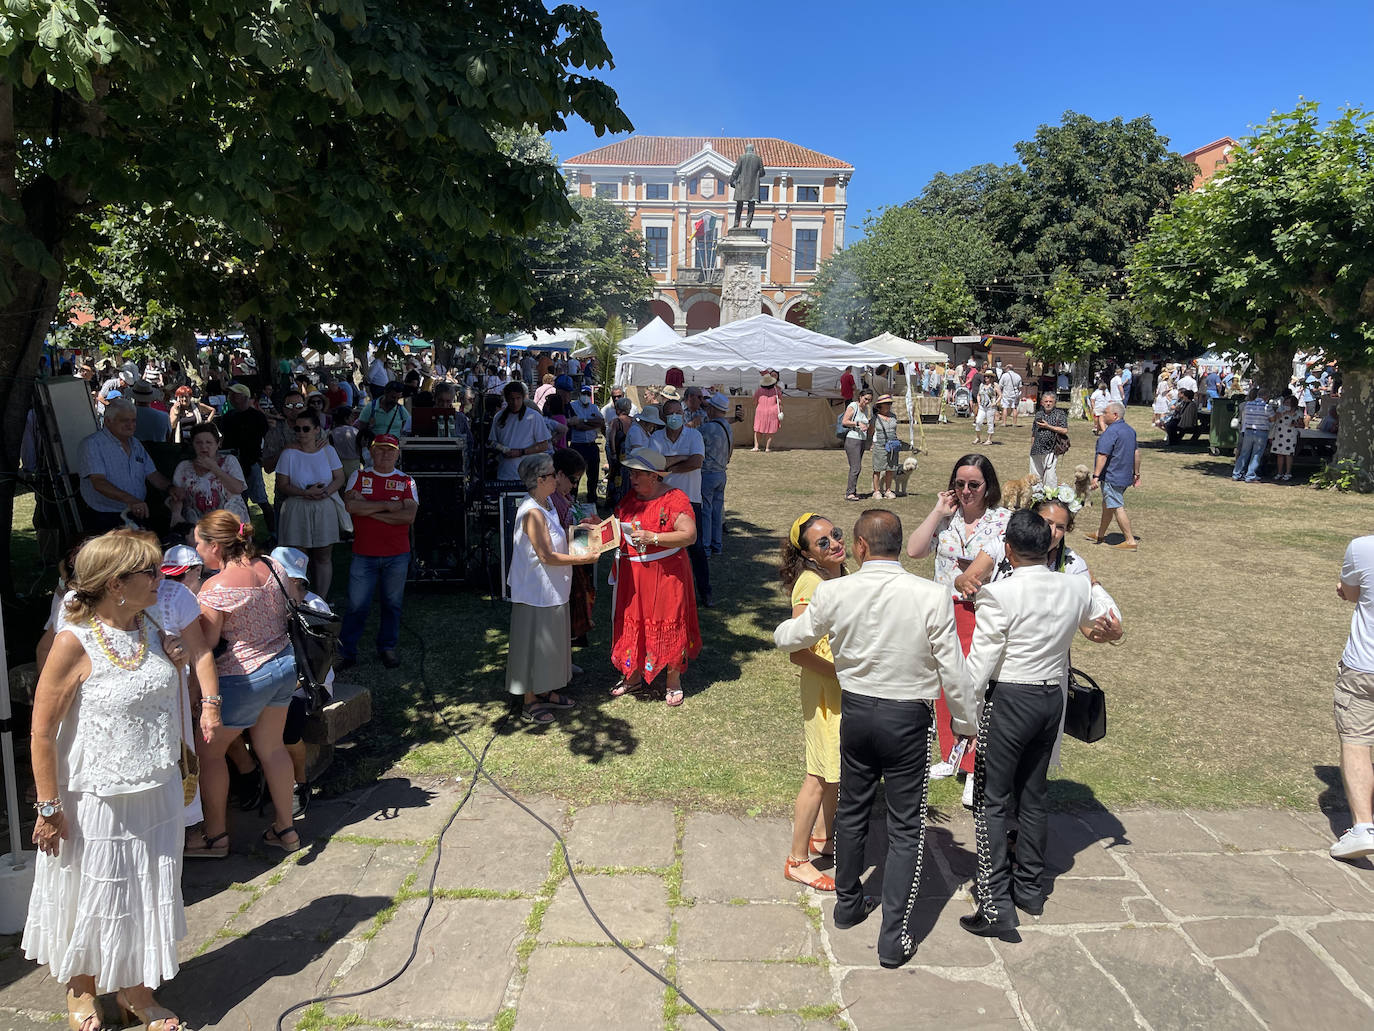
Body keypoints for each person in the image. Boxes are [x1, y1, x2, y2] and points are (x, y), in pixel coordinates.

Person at [773, 510, 973, 969]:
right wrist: (964, 722)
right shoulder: (931, 595)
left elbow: (793, 636)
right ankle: (893, 937)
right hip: (907, 719)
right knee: (905, 828)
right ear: (898, 544)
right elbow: (953, 668)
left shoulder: (836, 590)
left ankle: (848, 905)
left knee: (854, 808)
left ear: (861, 546)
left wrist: (783, 631)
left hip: (858, 714)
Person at [23, 530, 193, 1031]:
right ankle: (81, 993)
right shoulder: (73, 641)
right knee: (92, 891)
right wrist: (49, 808)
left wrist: (176, 662)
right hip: (95, 795)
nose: (161, 580)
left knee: (144, 888)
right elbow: (41, 732)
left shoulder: (153, 623)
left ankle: (136, 993)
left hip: (156, 787)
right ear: (117, 583)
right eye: (151, 573)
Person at [961, 511, 1112, 940]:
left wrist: (964, 714)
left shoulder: (999, 594)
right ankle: (1029, 888)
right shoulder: (1075, 585)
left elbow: (982, 663)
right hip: (1051, 697)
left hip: (1010, 697)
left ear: (1008, 549)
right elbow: (1100, 618)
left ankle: (994, 903)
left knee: (991, 800)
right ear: (1049, 546)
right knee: (1033, 794)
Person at [190, 511, 300, 857]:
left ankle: (215, 837)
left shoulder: (215, 587)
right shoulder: (273, 565)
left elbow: (204, 644)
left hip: (243, 678)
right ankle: (287, 829)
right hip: (283, 665)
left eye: (198, 543)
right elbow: (292, 605)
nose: (195, 550)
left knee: (209, 754)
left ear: (215, 546)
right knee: (272, 748)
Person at [907, 455, 1009, 786]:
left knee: (976, 687)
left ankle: (975, 762)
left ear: (988, 486)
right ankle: (951, 754)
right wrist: (938, 511)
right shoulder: (947, 519)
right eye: (960, 484)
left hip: (982, 611)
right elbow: (914, 551)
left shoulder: (1003, 521)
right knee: (946, 685)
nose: (966, 491)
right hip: (943, 610)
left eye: (973, 485)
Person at [777, 513, 848, 892]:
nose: (834, 543)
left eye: (835, 534)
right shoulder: (810, 584)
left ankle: (824, 836)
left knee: (834, 766)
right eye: (823, 542)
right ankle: (798, 859)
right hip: (825, 688)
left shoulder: (837, 573)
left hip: (838, 686)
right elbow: (797, 651)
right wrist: (840, 674)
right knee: (818, 775)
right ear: (807, 554)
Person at [506, 454, 596, 724]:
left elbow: (562, 537)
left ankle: (546, 690)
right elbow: (546, 555)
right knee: (534, 644)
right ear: (540, 479)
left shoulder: (547, 505)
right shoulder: (532, 512)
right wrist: (583, 558)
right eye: (551, 473)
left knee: (551, 645)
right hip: (536, 591)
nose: (557, 476)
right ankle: (530, 700)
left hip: (554, 588)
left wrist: (585, 533)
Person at [610, 448, 701, 707]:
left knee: (669, 620)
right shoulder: (631, 497)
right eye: (631, 473)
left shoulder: (675, 499)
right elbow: (620, 524)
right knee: (633, 620)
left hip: (667, 575)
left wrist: (654, 538)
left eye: (638, 474)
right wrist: (601, 527)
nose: (632, 479)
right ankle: (633, 675)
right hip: (634, 575)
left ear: (654, 476)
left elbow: (689, 535)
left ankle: (673, 681)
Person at [339, 434, 418, 671]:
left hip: (397, 554)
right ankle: (346, 651)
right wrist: (387, 506)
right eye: (380, 450)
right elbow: (351, 506)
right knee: (356, 606)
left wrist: (369, 509)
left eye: (390, 450)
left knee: (392, 604)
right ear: (371, 453)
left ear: (398, 454)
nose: (385, 454)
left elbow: (408, 516)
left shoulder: (407, 482)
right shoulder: (359, 476)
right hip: (364, 552)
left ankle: (387, 647)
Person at [77, 399, 185, 532]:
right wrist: (131, 500)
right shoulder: (92, 444)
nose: (131, 425)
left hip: (135, 513)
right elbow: (98, 482)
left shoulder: (135, 444)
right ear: (108, 421)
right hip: (104, 516)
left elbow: (153, 474)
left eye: (133, 420)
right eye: (124, 420)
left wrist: (170, 488)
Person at [1332, 533, 1374, 860]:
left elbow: (1349, 592)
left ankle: (1363, 827)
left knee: (1356, 739)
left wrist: (1344, 591)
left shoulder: (1363, 547)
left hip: (1364, 666)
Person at [274, 407, 346, 596]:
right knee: (298, 557)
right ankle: (300, 598)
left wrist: (325, 492)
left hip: (324, 505)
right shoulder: (288, 453)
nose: (301, 433)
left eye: (306, 429)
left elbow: (339, 477)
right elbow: (282, 484)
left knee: (324, 555)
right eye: (297, 429)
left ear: (316, 430)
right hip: (297, 506)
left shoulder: (328, 451)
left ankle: (322, 600)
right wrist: (304, 493)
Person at [651, 398, 711, 607]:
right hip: (663, 499)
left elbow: (696, 462)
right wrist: (679, 459)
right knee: (663, 544)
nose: (675, 416)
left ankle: (705, 592)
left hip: (690, 498)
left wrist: (670, 466)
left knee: (695, 547)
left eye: (679, 412)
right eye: (671, 413)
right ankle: (663, 591)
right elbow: (655, 465)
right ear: (663, 417)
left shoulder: (694, 435)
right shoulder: (656, 437)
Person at [218, 384, 275, 535]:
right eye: (230, 394)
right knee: (239, 502)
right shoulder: (228, 417)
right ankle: (247, 535)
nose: (231, 397)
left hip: (252, 462)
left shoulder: (257, 416)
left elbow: (267, 438)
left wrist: (262, 457)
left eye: (235, 394)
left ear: (244, 396)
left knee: (262, 500)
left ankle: (274, 533)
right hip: (233, 463)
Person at [171, 424, 249, 533]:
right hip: (198, 526)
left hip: (230, 524)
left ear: (217, 444)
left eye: (209, 442)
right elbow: (176, 496)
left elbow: (238, 489)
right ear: (192, 444)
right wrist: (176, 514)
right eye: (198, 443)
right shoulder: (184, 467)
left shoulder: (229, 461)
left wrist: (214, 468)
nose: (203, 447)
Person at [1087, 401, 1140, 551]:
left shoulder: (1111, 432)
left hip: (1112, 476)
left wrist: (1096, 476)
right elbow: (1136, 453)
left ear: (1115, 415)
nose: (1103, 415)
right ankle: (1100, 534)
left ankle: (1130, 541)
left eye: (1106, 413)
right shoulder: (1130, 430)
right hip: (1124, 476)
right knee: (1107, 505)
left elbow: (1103, 455)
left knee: (1116, 506)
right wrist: (1136, 473)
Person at [489, 381, 553, 481]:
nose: (515, 403)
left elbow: (544, 445)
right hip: (505, 474)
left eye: (518, 398)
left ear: (523, 397)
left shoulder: (534, 416)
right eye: (511, 399)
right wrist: (501, 449)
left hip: (527, 475)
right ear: (506, 399)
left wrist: (520, 452)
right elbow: (492, 442)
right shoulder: (499, 417)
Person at [699, 392, 734, 556]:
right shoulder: (727, 426)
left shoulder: (707, 428)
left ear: (713, 409)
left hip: (708, 473)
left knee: (706, 510)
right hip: (721, 473)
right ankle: (716, 544)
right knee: (717, 510)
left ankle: (706, 546)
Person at [568, 384, 605, 503]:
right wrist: (590, 424)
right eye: (584, 393)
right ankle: (572, 499)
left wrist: (584, 421)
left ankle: (592, 499)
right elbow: (577, 426)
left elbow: (600, 422)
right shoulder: (573, 406)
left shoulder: (594, 408)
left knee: (593, 475)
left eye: (588, 394)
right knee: (575, 474)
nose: (586, 396)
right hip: (577, 445)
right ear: (580, 394)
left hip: (591, 445)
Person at [1029, 389, 1069, 489]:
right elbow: (1034, 431)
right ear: (1042, 402)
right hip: (1036, 449)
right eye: (1046, 401)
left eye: (1050, 401)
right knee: (1035, 475)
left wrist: (1048, 426)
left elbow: (1064, 430)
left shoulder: (1060, 414)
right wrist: (1032, 446)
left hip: (1051, 449)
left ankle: (1050, 497)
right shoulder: (1038, 414)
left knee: (1050, 475)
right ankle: (1036, 496)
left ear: (1054, 402)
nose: (1048, 404)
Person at [1233, 387, 1273, 483]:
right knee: (1256, 454)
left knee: (1244, 453)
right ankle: (1250, 475)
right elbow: (1272, 419)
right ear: (1266, 396)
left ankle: (1236, 473)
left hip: (1248, 430)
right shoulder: (1267, 407)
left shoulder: (1248, 405)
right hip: (1261, 431)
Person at [841, 388, 874, 502]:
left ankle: (853, 491)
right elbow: (844, 421)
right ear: (860, 397)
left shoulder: (865, 409)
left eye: (869, 400)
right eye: (865, 399)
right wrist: (857, 423)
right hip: (852, 440)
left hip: (861, 440)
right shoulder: (853, 406)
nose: (867, 402)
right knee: (856, 467)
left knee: (856, 467)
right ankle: (849, 493)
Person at [869, 394, 900, 499]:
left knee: (890, 469)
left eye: (890, 404)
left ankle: (888, 490)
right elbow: (871, 432)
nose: (888, 406)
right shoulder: (875, 418)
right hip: (880, 445)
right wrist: (872, 443)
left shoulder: (893, 416)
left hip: (892, 446)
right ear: (880, 406)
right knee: (877, 468)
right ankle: (876, 490)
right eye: (886, 404)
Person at [1269, 395, 1305, 481]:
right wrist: (1285, 413)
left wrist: (1295, 424)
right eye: (1285, 402)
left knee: (1288, 454)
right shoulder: (1280, 409)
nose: (1286, 404)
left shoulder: (1298, 412)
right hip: (1279, 434)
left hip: (1290, 435)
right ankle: (1279, 472)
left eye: (1288, 403)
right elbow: (1275, 418)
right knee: (1279, 454)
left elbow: (1302, 425)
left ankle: (1288, 473)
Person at [753, 370, 782, 452]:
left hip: (760, 411)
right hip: (772, 411)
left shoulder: (759, 391)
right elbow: (779, 402)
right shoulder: (777, 391)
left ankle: (756, 447)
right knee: (770, 430)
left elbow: (755, 402)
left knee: (758, 429)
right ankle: (767, 448)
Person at [973, 370, 1000, 446]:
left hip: (990, 407)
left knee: (990, 422)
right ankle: (978, 438)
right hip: (982, 406)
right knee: (978, 421)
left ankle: (989, 439)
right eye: (985, 376)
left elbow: (1000, 395)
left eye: (987, 376)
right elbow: (978, 394)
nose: (986, 378)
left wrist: (995, 402)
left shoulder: (995, 385)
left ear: (991, 377)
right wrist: (978, 402)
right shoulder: (982, 385)